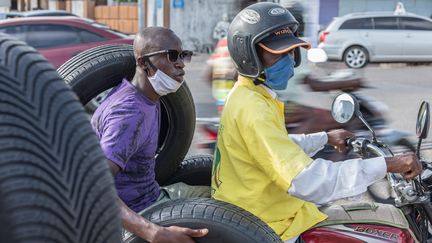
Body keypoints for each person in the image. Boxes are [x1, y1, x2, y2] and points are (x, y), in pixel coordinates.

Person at [211, 2, 422, 242]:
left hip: (265, 212)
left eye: (291, 52)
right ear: (248, 55)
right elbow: (307, 181)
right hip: (269, 226)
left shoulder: (249, 94)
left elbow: (273, 146)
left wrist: (324, 138)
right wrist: (387, 165)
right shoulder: (253, 107)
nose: (289, 60)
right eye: (279, 53)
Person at [91, 27, 210, 243]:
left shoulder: (146, 96)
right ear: (144, 63)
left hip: (153, 194)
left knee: (223, 195)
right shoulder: (129, 114)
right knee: (224, 221)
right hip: (140, 213)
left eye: (183, 55)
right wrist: (154, 232)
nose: (181, 63)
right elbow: (94, 183)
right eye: (172, 55)